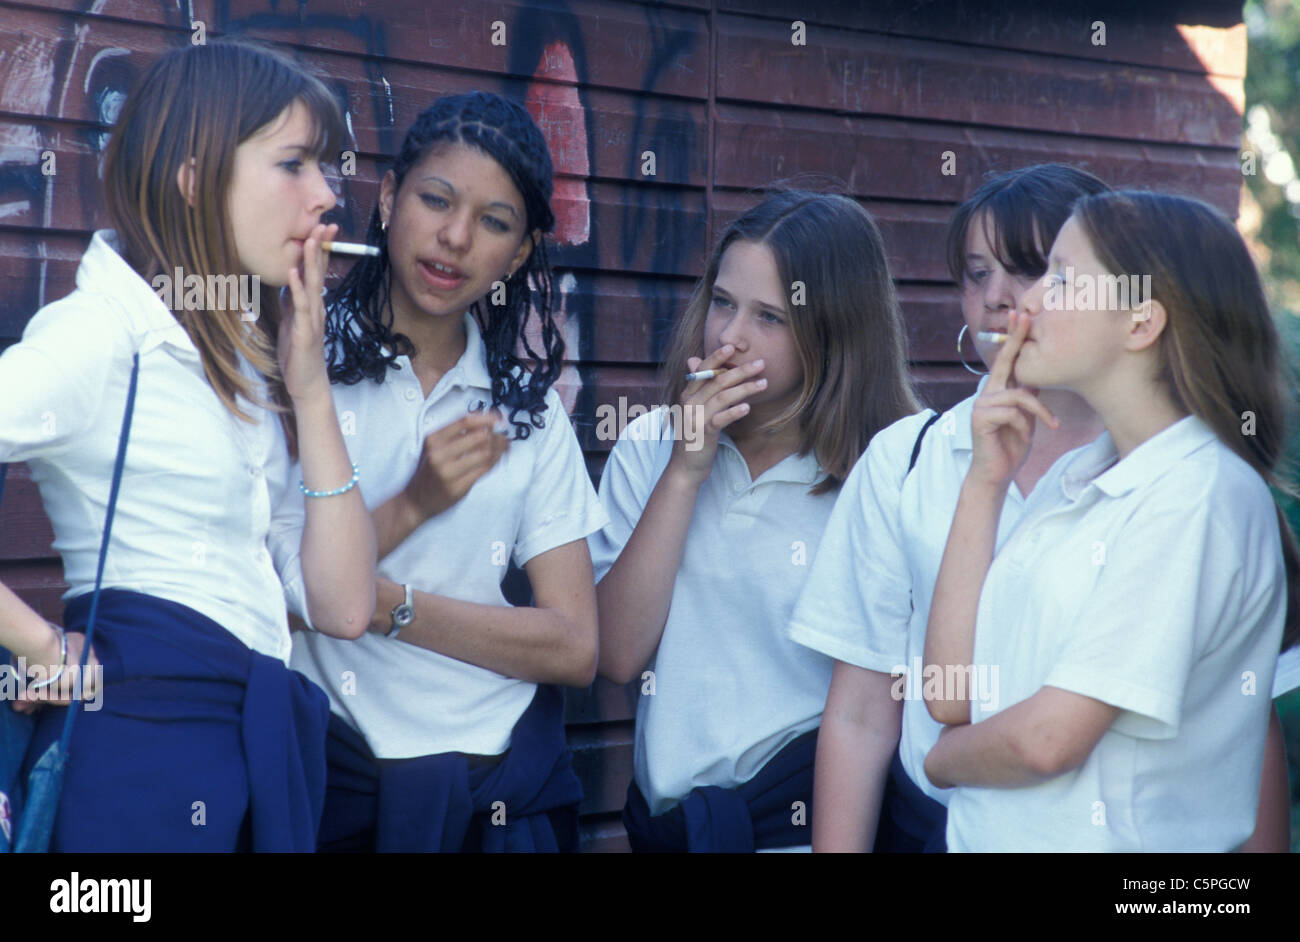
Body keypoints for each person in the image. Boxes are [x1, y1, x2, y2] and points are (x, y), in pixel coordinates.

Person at [0, 40, 376, 851]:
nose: (325, 196)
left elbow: (343, 605)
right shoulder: (100, 334)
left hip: (248, 752)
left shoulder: (241, 348)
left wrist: (309, 391)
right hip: (140, 754)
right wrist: (38, 643)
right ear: (195, 178)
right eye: (294, 164)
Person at [923, 189, 1298, 851]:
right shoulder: (1084, 480)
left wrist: (940, 761)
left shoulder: (1197, 494)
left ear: (1140, 324)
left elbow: (1047, 740)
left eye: (1063, 279)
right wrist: (985, 482)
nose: (1027, 301)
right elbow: (951, 697)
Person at [287, 91, 607, 852]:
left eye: (495, 222)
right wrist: (417, 501)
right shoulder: (301, 364)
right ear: (392, 195)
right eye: (436, 199)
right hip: (339, 785)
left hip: (497, 797)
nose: (455, 237)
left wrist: (386, 604)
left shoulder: (527, 413)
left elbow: (574, 646)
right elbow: (275, 597)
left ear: (521, 253)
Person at [789, 165, 1109, 852]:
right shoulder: (907, 459)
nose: (994, 298)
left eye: (1025, 269)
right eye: (974, 273)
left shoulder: (1153, 463)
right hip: (932, 824)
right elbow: (862, 710)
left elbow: (1239, 719)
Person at [588, 190, 919, 852]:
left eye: (769, 317)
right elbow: (618, 653)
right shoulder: (653, 443)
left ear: (833, 330)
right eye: (722, 301)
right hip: (672, 831)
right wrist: (685, 470)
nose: (729, 336)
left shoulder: (891, 471)